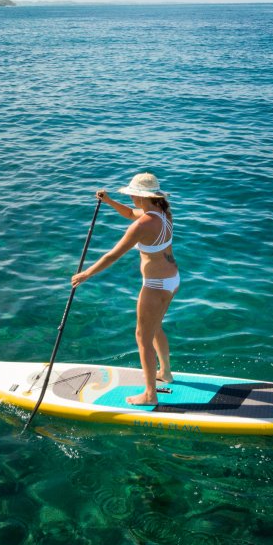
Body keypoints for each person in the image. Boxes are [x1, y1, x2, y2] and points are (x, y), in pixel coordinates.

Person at [71, 172, 179, 405]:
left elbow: (112, 255)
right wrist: (109, 201)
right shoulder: (163, 212)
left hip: (155, 285)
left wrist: (86, 273)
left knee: (142, 336)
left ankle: (150, 395)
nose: (130, 197)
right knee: (155, 327)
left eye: (132, 193)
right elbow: (130, 213)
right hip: (172, 280)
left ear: (141, 196)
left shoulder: (142, 225)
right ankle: (166, 373)